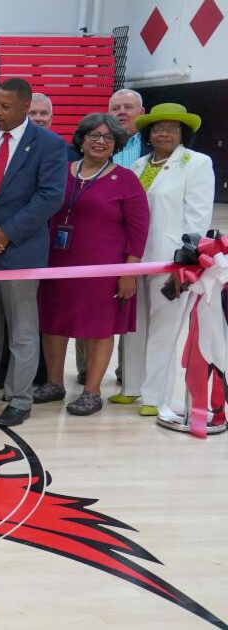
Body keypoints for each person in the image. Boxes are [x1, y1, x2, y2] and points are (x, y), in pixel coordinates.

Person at [0, 78, 67, 427]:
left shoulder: (49, 144)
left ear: (25, 106)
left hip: (20, 251)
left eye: (5, 106)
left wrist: (6, 234)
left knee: (22, 330)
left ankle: (20, 398)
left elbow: (50, 197)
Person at [32, 113, 148, 417]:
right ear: (81, 140)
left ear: (116, 144)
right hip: (57, 261)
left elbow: (139, 230)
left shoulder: (125, 179)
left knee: (99, 328)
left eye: (108, 137)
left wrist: (129, 271)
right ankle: (54, 383)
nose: (100, 142)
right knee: (53, 323)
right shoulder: (60, 172)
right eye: (94, 136)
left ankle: (92, 391)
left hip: (104, 269)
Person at [114, 103, 214, 431]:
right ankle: (131, 386)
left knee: (164, 328)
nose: (165, 133)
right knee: (133, 322)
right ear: (148, 134)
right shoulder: (140, 165)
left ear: (183, 132)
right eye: (158, 128)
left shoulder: (197, 163)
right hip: (135, 258)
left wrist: (186, 261)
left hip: (172, 260)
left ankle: (155, 396)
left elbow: (197, 216)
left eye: (172, 128)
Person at [109, 89, 147, 167]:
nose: (121, 112)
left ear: (141, 112)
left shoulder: (154, 143)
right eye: (115, 108)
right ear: (108, 114)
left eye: (128, 107)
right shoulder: (94, 144)